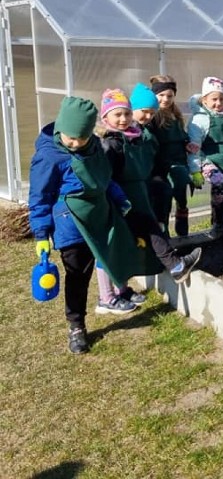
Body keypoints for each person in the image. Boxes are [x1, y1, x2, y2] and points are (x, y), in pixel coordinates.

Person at [29, 96, 138, 353]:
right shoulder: (49, 157)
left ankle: (115, 295)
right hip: (71, 224)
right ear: (61, 130)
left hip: (100, 216)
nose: (76, 143)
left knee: (110, 256)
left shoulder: (94, 146)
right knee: (77, 276)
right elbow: (40, 197)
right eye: (71, 139)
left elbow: (104, 178)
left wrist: (120, 199)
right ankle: (76, 325)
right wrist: (41, 233)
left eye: (82, 138)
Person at [98, 88, 202, 292]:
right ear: (105, 116)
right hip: (125, 198)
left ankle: (124, 289)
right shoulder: (111, 143)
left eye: (126, 114)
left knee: (147, 232)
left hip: (141, 192)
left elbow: (153, 163)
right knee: (145, 232)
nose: (123, 119)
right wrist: (119, 200)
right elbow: (107, 178)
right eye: (117, 114)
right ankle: (174, 266)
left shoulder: (135, 136)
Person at [187, 76, 223, 237]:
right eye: (214, 99)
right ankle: (217, 220)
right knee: (219, 182)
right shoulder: (199, 120)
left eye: (221, 99)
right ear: (204, 100)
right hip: (206, 159)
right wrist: (195, 170)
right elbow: (194, 148)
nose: (218, 103)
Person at [148, 74, 192, 237]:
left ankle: (182, 227)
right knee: (163, 199)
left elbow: (181, 135)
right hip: (163, 165)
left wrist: (187, 142)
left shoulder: (176, 115)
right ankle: (164, 232)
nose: (165, 99)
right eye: (161, 95)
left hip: (180, 161)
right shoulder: (153, 116)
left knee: (182, 195)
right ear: (154, 95)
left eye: (170, 96)